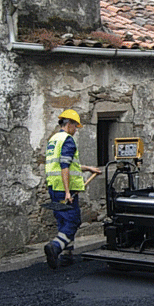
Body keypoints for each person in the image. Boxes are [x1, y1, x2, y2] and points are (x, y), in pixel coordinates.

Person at [43, 109, 101, 269]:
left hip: (54, 187)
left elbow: (67, 164)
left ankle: (67, 255)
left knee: (62, 220)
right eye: (75, 126)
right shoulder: (68, 140)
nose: (76, 130)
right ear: (69, 124)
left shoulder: (54, 139)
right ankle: (55, 247)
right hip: (65, 189)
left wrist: (88, 168)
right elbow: (64, 166)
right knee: (73, 220)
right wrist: (68, 191)